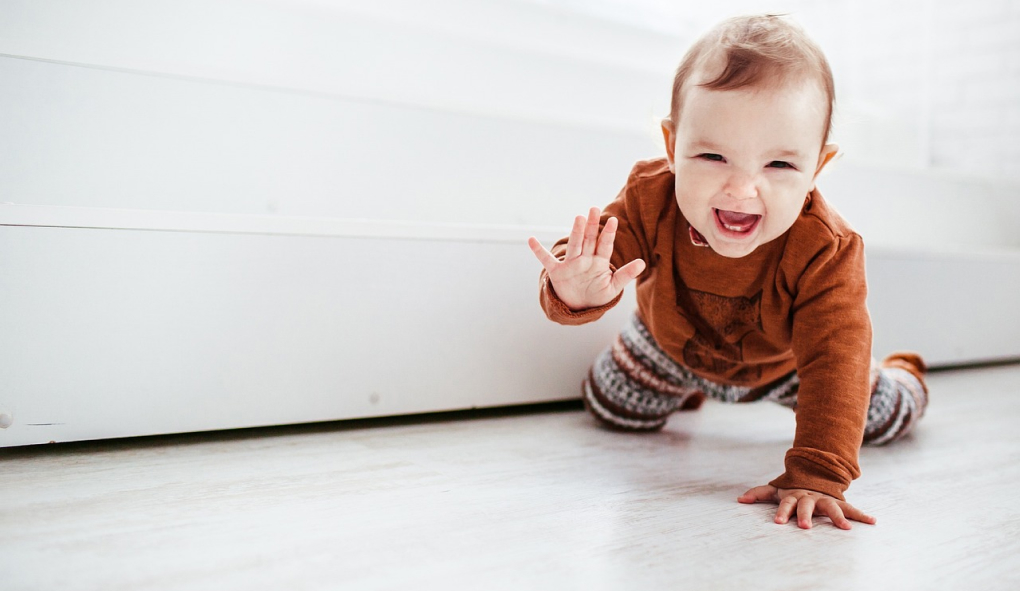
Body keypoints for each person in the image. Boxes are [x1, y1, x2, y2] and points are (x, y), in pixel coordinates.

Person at [527, 14, 928, 530]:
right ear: (672, 148)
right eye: (713, 156)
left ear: (817, 168)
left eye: (779, 166)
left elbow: (834, 357)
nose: (741, 190)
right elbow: (601, 252)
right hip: (666, 347)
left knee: (878, 418)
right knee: (612, 408)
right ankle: (688, 389)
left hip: (785, 367)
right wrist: (576, 287)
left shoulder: (826, 248)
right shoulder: (650, 198)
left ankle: (905, 376)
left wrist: (817, 472)